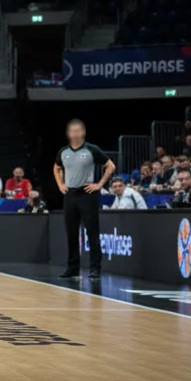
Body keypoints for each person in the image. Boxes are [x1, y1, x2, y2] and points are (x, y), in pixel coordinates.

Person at [54, 119, 115, 280]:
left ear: (83, 132)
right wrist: (60, 184)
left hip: (87, 194)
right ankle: (73, 268)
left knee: (92, 232)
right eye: (72, 131)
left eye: (77, 131)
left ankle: (95, 268)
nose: (75, 134)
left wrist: (100, 184)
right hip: (70, 195)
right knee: (71, 232)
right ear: (68, 133)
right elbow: (56, 167)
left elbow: (111, 166)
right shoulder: (63, 151)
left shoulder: (91, 149)